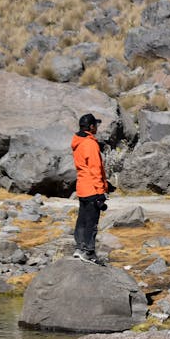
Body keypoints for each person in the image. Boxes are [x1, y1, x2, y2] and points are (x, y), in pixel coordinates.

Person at [71, 113, 108, 265]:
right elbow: (95, 169)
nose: (97, 128)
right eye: (96, 125)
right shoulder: (90, 143)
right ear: (91, 127)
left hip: (82, 187)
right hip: (92, 189)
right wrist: (101, 192)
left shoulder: (77, 142)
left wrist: (107, 184)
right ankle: (89, 253)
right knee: (91, 222)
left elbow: (85, 168)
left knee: (82, 220)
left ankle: (79, 248)